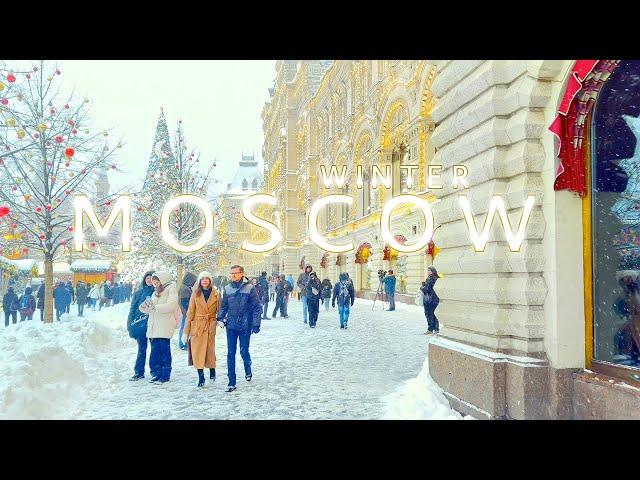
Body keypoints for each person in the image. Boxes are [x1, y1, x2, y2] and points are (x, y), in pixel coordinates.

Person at [217, 265, 262, 392]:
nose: (233, 276)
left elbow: (256, 307)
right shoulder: (227, 288)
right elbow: (224, 306)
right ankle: (231, 381)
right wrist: (220, 317)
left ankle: (248, 368)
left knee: (243, 351)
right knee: (230, 353)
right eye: (231, 273)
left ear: (242, 273)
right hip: (231, 325)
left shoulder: (250, 288)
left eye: (236, 273)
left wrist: (256, 324)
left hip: (245, 325)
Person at [139, 271, 178, 384]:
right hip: (154, 325)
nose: (155, 282)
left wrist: (155, 307)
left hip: (164, 325)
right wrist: (145, 307)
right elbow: (150, 305)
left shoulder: (171, 289)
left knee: (164, 351)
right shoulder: (156, 291)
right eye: (154, 281)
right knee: (155, 351)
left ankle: (165, 375)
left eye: (157, 280)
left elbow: (172, 305)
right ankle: (157, 373)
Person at [182, 271, 219, 387]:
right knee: (198, 352)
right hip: (198, 326)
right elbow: (190, 313)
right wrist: (185, 332)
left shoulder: (216, 294)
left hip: (210, 326)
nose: (205, 281)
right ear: (199, 281)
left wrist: (220, 320)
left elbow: (220, 310)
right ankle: (201, 377)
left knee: (210, 351)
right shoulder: (195, 294)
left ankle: (212, 370)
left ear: (210, 280)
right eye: (202, 279)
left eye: (207, 279)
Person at [127, 270, 155, 381]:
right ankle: (138, 372)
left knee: (154, 349)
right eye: (147, 278)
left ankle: (154, 371)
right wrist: (130, 323)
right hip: (140, 325)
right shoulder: (139, 293)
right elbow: (132, 309)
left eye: (152, 278)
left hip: (153, 324)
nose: (149, 280)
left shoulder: (157, 292)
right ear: (144, 279)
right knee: (141, 349)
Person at [178, 272, 197, 350]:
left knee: (184, 327)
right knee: (184, 328)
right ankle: (183, 344)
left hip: (186, 312)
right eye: (193, 280)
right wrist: (188, 312)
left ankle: (183, 343)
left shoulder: (185, 287)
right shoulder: (185, 289)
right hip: (186, 312)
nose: (194, 282)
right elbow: (185, 302)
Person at [421, 266, 441, 335]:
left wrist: (422, 287)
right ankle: (436, 329)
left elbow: (426, 289)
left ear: (433, 271)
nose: (428, 272)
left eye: (429, 270)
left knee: (429, 314)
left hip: (429, 300)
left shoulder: (430, 278)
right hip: (436, 299)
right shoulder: (438, 278)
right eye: (428, 270)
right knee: (435, 314)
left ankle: (430, 329)